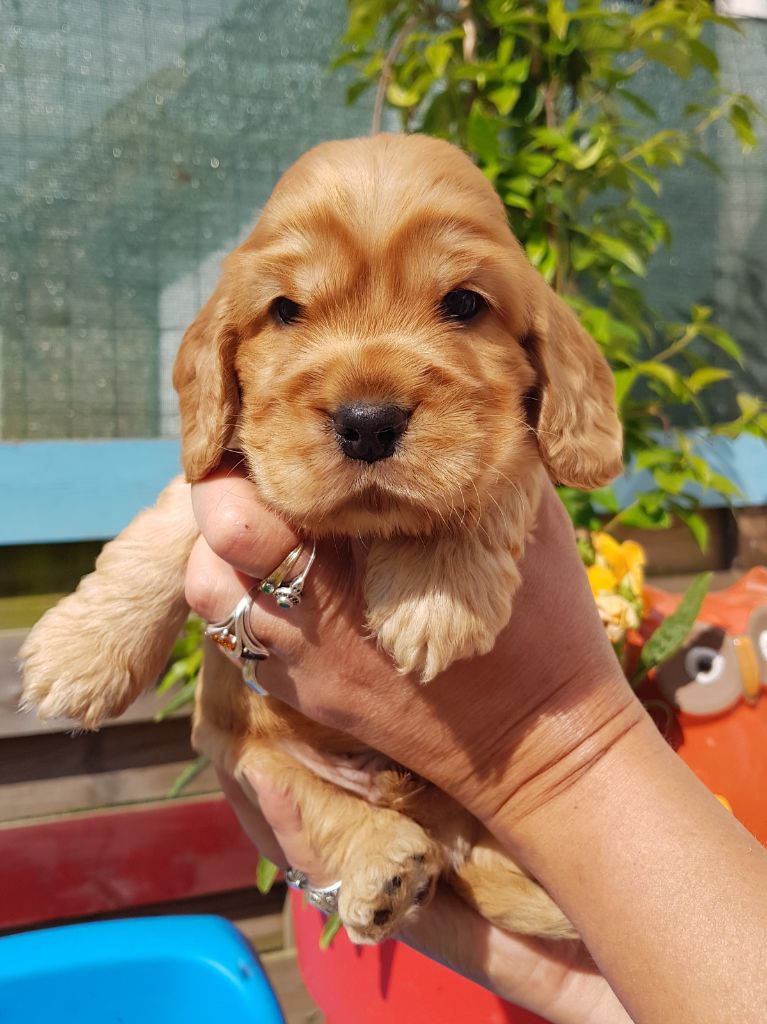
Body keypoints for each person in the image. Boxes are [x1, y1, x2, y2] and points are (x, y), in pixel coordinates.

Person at [185, 458, 767, 1024]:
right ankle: (369, 838)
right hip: (322, 765)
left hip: (473, 813)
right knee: (245, 752)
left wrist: (544, 749)